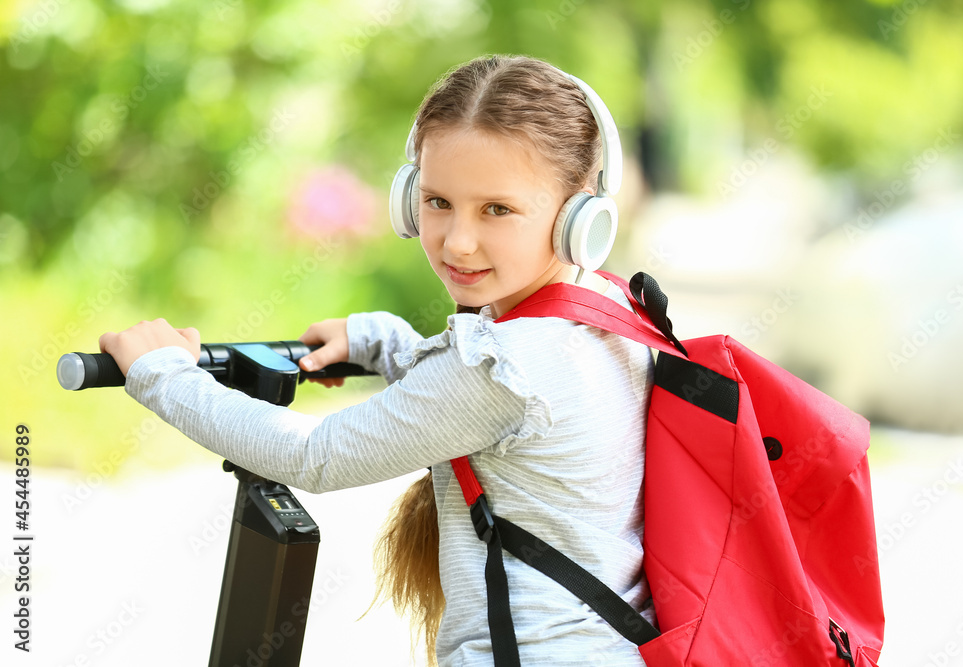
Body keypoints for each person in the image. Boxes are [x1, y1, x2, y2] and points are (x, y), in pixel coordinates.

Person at [99, 54, 656, 666]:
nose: (457, 240)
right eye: (439, 202)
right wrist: (386, 342)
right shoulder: (610, 312)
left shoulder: (503, 367)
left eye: (496, 209)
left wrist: (162, 376)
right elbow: (486, 411)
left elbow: (317, 456)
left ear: (579, 218)